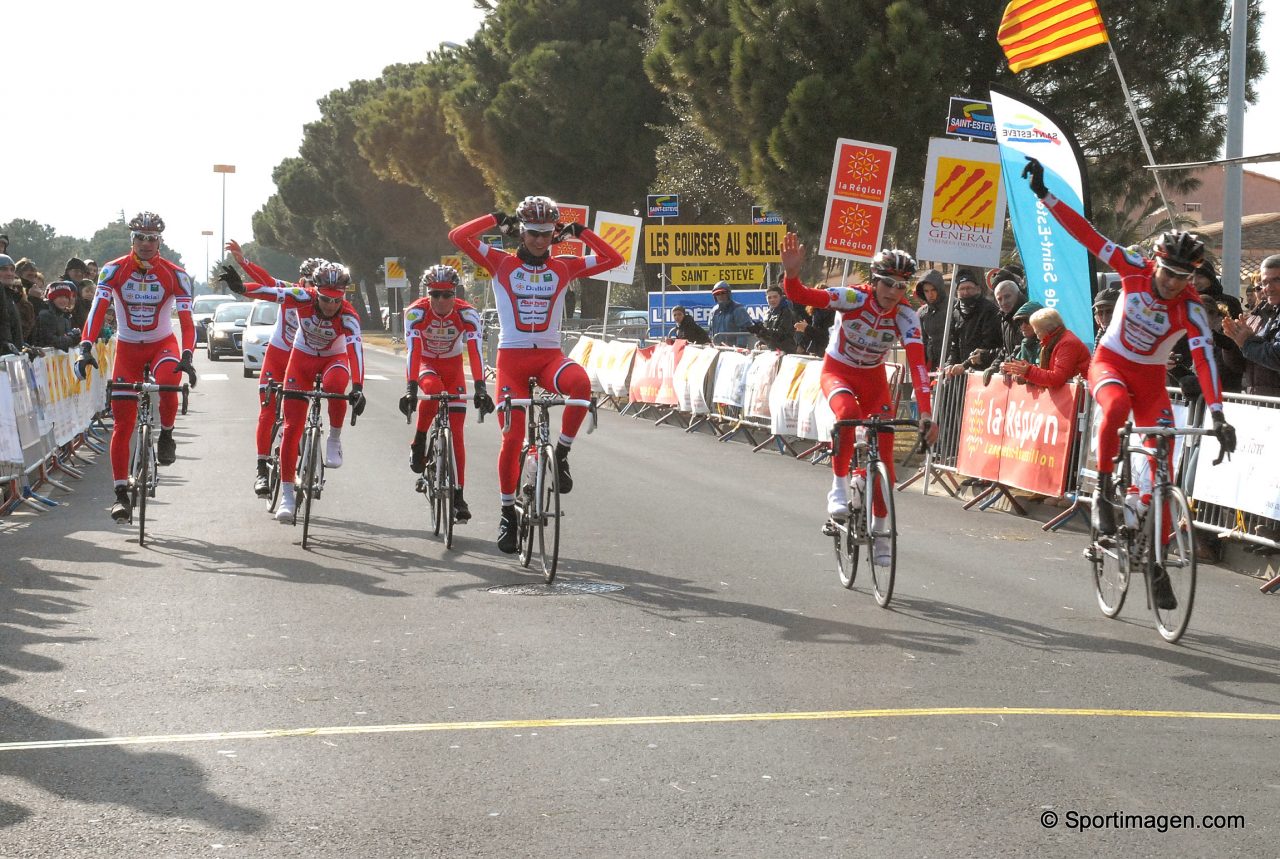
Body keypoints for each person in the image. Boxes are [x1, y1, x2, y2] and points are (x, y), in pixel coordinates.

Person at [1023, 156, 1234, 612]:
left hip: (1153, 380)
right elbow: (1085, 234)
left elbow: (1205, 360)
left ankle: (1154, 560)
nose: (1174, 283)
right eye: (1169, 273)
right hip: (1111, 364)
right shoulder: (1132, 268)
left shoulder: (1193, 308)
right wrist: (1044, 194)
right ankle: (1101, 488)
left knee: (1163, 470)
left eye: (1184, 277)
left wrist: (1218, 415)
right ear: (1156, 263)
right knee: (1114, 407)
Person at [449, 195, 624, 553]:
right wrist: (495, 218)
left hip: (549, 359)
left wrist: (582, 231)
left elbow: (614, 259)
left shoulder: (564, 266)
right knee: (512, 439)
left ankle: (559, 456)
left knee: (579, 385)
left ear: (554, 234)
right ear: (522, 232)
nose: (540, 240)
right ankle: (506, 513)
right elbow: (458, 237)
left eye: (547, 234)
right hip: (511, 363)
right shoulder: (500, 262)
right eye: (532, 233)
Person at [780, 234, 938, 565]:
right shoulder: (852, 297)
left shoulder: (907, 316)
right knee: (848, 413)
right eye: (888, 284)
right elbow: (801, 295)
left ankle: (882, 533)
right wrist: (792, 274)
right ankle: (837, 488)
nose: (894, 292)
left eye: (901, 285)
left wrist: (926, 413)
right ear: (875, 282)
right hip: (838, 371)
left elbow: (920, 366)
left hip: (874, 381)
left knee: (886, 460)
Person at [73, 212, 197, 523]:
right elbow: (97, 311)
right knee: (123, 421)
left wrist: (187, 354)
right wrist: (85, 347)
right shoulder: (113, 270)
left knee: (169, 380)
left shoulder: (176, 274)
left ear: (160, 241)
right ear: (132, 239)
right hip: (127, 349)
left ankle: (166, 433)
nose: (145, 243)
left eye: (151, 238)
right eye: (140, 237)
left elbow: (186, 322)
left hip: (161, 344)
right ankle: (119, 495)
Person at [219, 242, 326, 497]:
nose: (317, 289)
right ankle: (260, 468)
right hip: (278, 356)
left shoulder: (327, 302)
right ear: (302, 280)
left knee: (303, 412)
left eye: (321, 284)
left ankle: (304, 448)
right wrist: (243, 262)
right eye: (313, 282)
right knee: (267, 412)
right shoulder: (292, 292)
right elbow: (265, 281)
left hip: (304, 361)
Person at [262, 262, 365, 523]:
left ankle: (334, 439)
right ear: (315, 292)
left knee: (334, 386)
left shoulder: (349, 315)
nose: (331, 305)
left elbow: (355, 351)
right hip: (302, 359)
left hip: (334, 359)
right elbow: (268, 291)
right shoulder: (302, 298)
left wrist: (359, 387)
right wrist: (241, 287)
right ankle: (286, 495)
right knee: (292, 427)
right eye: (325, 299)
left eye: (336, 300)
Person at [399, 265, 493, 523]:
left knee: (458, 432)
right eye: (435, 294)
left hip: (453, 369)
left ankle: (459, 495)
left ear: (455, 293)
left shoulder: (468, 313)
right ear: (427, 294)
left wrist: (481, 387)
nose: (441, 300)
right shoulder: (416, 312)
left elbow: (474, 351)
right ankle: (419, 440)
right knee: (432, 390)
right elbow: (413, 351)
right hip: (425, 363)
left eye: (447, 294)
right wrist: (410, 388)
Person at [1223, 254, 1280, 396]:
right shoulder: (1263, 314)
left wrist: (1247, 342)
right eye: (1264, 282)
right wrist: (1231, 344)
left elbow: (1277, 356)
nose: (1269, 288)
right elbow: (1242, 365)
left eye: (1277, 280)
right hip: (1259, 404)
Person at [1000, 307, 1090, 389]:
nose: (1038, 337)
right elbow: (1048, 375)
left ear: (1047, 330)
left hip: (1078, 398)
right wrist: (1027, 376)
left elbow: (1058, 378)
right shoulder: (1053, 342)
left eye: (1038, 332)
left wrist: (1029, 372)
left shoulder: (1067, 343)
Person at [943, 269, 1002, 375]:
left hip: (983, 370)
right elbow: (954, 344)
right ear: (957, 292)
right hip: (961, 373)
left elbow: (988, 343)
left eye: (969, 288)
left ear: (978, 289)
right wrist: (949, 364)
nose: (965, 292)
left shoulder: (989, 309)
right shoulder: (956, 311)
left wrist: (965, 365)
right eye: (962, 289)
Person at [913, 269, 948, 371]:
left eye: (933, 290)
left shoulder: (953, 307)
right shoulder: (922, 313)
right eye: (926, 291)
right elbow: (922, 341)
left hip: (952, 363)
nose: (930, 294)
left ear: (939, 289)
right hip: (932, 364)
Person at [707, 281, 757, 347]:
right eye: (717, 294)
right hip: (717, 348)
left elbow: (745, 330)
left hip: (733, 350)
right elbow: (711, 331)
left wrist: (740, 347)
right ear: (714, 296)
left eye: (723, 293)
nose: (720, 296)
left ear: (728, 294)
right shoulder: (713, 311)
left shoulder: (738, 309)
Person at [33, 281, 81, 350]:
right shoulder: (45, 315)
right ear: (52, 298)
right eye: (60, 297)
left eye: (66, 297)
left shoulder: (65, 316)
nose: (63, 300)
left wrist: (76, 337)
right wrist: (72, 337)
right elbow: (51, 341)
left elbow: (67, 341)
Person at [753, 284, 797, 353]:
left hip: (786, 352)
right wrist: (761, 341)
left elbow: (781, 334)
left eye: (775, 297)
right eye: (769, 298)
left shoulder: (787, 312)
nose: (772, 300)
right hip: (772, 352)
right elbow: (767, 333)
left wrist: (762, 331)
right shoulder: (767, 313)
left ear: (781, 297)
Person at [0, 255, 28, 353]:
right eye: (4, 269)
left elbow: (13, 332)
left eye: (12, 270)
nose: (9, 273)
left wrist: (24, 347)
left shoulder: (11, 298)